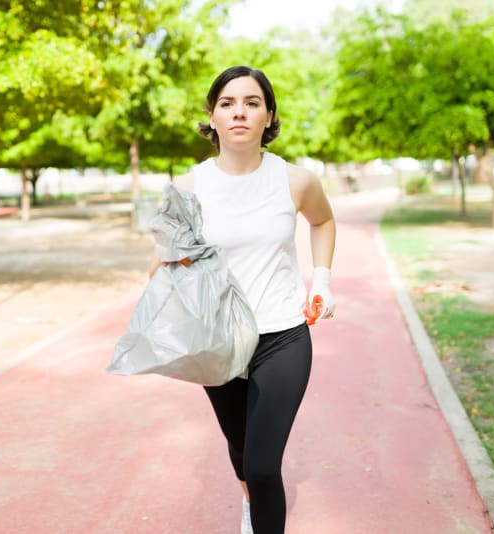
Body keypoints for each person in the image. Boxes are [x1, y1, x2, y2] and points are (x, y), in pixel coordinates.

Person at [147, 65, 336, 534]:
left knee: (264, 463)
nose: (239, 112)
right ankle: (250, 501)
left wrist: (322, 281)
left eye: (252, 103)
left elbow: (323, 222)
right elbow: (163, 259)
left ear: (268, 116)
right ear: (211, 116)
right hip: (219, 338)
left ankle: (259, 502)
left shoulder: (296, 181)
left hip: (283, 334)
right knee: (240, 447)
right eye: (228, 103)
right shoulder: (188, 187)